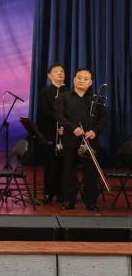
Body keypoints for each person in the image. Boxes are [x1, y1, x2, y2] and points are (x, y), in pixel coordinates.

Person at [56, 68, 107, 211]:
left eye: (86, 79)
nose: (82, 80)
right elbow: (59, 116)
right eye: (79, 77)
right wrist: (73, 128)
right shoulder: (63, 97)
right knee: (69, 170)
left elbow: (104, 119)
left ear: (90, 82)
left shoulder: (97, 99)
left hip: (90, 139)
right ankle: (69, 201)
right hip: (70, 138)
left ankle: (90, 202)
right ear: (74, 79)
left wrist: (95, 131)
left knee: (90, 172)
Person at [37, 63, 66, 204]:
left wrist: (64, 125)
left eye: (62, 71)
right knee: (50, 164)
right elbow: (45, 111)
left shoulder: (69, 91)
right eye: (56, 71)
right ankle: (48, 193)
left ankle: (63, 193)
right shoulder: (45, 92)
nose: (60, 73)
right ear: (50, 76)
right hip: (50, 131)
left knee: (64, 164)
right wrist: (58, 122)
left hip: (66, 131)